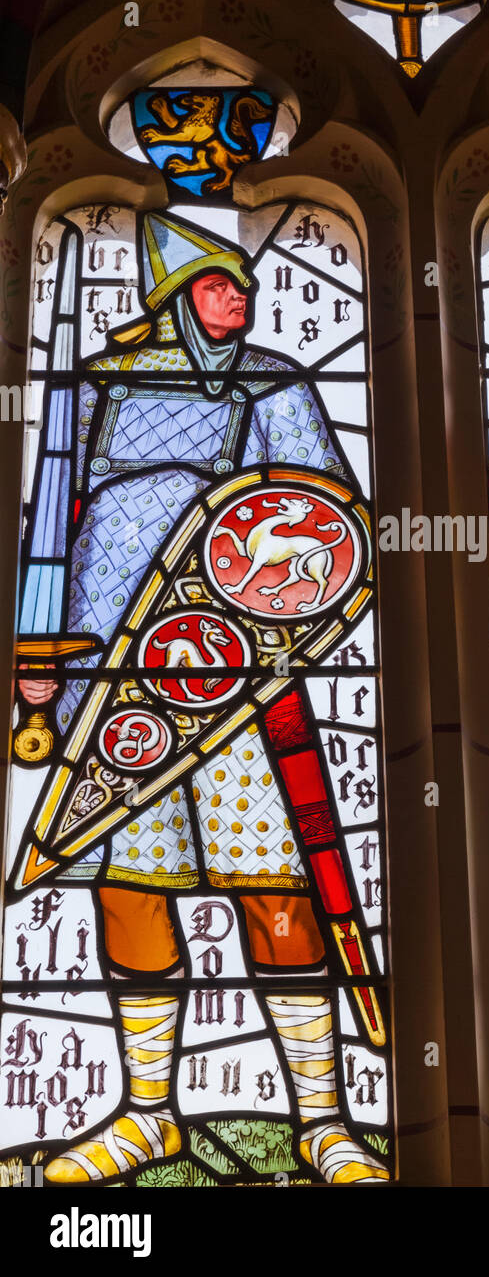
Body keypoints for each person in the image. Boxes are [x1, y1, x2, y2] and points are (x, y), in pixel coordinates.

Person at [14, 211, 388, 1184]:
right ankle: (147, 1116)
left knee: (275, 889)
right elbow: (53, 521)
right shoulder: (94, 391)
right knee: (131, 896)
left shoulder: (273, 385)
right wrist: (35, 645)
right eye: (223, 286)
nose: (241, 301)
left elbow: (331, 522)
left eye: (247, 289)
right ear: (179, 298)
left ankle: (321, 1119)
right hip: (112, 681)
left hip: (238, 687)